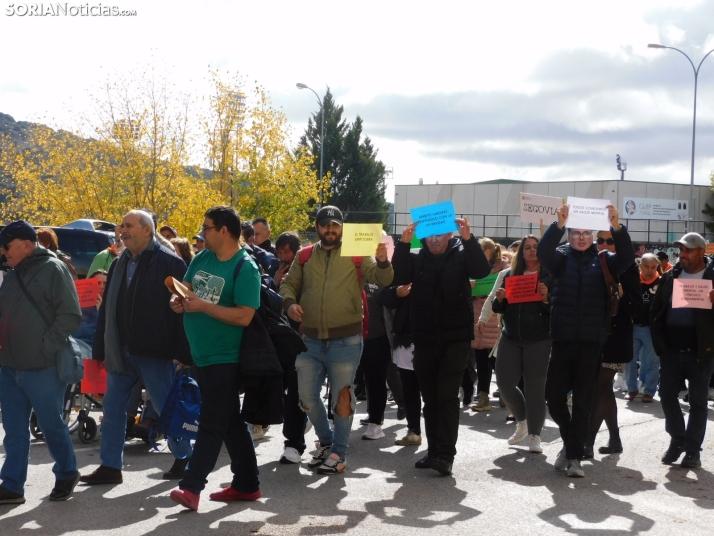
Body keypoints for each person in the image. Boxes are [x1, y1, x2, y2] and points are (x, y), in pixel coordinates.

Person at [80, 210, 193, 486]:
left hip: (155, 352)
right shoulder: (119, 263)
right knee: (113, 409)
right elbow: (107, 309)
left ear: (147, 230)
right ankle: (110, 467)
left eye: (129, 226)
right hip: (121, 350)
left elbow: (184, 311)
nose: (123, 230)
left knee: (166, 406)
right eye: (122, 226)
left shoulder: (170, 263)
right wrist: (101, 350)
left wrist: (182, 352)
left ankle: (184, 458)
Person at [279, 205, 394, 474]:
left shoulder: (357, 251)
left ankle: (339, 454)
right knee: (306, 395)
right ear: (317, 227)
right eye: (325, 224)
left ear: (342, 226)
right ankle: (328, 442)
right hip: (309, 339)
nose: (330, 229)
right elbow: (288, 284)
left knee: (342, 397)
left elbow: (382, 278)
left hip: (347, 340)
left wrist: (383, 261)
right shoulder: (304, 255)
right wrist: (289, 303)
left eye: (335, 224)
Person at [169, 206, 262, 511]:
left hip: (228, 357)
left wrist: (204, 308)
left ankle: (191, 487)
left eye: (206, 228)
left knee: (210, 422)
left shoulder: (245, 267)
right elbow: (189, 289)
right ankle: (247, 485)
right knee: (230, 421)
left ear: (224, 230)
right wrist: (178, 301)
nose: (202, 233)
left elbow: (245, 316)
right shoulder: (201, 258)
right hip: (202, 356)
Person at [537, 204, 634, 478]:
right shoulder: (559, 259)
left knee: (582, 401)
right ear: (568, 236)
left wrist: (617, 226)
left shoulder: (604, 260)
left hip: (592, 342)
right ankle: (571, 445)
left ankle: (575, 458)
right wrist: (558, 225)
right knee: (553, 398)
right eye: (575, 233)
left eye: (586, 233)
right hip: (562, 340)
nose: (581, 237)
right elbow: (544, 252)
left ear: (592, 236)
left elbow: (626, 256)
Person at [394, 218, 491, 475]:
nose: (434, 240)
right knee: (431, 397)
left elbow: (481, 270)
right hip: (425, 337)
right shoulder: (416, 256)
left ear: (449, 234)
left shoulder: (461, 252)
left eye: (439, 235)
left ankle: (446, 455)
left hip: (455, 337)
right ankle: (434, 450)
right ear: (423, 237)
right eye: (429, 235)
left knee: (447, 395)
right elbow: (398, 276)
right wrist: (403, 244)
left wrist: (469, 239)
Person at [0, 221, 82, 504]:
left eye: (6, 246)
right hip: (9, 366)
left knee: (50, 425)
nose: (3, 252)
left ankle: (67, 472)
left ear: (26, 243)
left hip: (43, 366)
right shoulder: (12, 274)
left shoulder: (53, 269)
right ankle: (11, 485)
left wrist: (45, 347)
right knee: (13, 430)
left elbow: (71, 315)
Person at [650, 232, 714, 469]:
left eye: (687, 250)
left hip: (700, 353)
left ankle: (693, 450)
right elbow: (657, 310)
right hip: (671, 352)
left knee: (698, 403)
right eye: (681, 250)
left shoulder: (712, 276)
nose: (682, 254)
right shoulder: (671, 275)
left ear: (701, 251)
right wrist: (660, 344)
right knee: (666, 396)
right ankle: (678, 439)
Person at [491, 235, 551, 453]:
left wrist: (546, 299)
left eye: (536, 247)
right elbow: (500, 308)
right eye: (528, 247)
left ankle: (535, 435)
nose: (532, 251)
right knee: (505, 384)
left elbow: (555, 310)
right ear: (521, 251)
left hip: (539, 338)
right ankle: (523, 421)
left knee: (535, 389)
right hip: (511, 337)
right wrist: (500, 299)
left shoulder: (549, 276)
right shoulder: (510, 275)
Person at [584, 230, 641, 458]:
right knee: (603, 388)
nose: (605, 244)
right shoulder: (591, 264)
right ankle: (615, 439)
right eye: (600, 241)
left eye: (611, 241)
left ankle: (587, 441)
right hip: (594, 336)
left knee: (601, 386)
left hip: (617, 337)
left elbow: (638, 310)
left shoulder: (628, 268)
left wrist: (621, 295)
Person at [381, 283, 423, 446]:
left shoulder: (445, 261)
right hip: (406, 337)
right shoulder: (403, 265)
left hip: (434, 337)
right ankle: (414, 430)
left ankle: (439, 440)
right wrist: (397, 292)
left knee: (432, 390)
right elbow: (386, 297)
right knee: (409, 386)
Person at [471, 238, 510, 411]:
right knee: (480, 358)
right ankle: (483, 396)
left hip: (493, 316)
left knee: (496, 359)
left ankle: (505, 392)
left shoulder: (504, 269)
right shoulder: (473, 267)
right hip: (477, 314)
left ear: (486, 252)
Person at [624, 253, 661, 403]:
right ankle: (632, 389)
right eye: (646, 267)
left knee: (652, 361)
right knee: (629, 360)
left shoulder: (662, 282)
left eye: (653, 267)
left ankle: (650, 391)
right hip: (633, 326)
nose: (650, 270)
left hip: (652, 329)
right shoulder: (633, 281)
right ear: (640, 266)